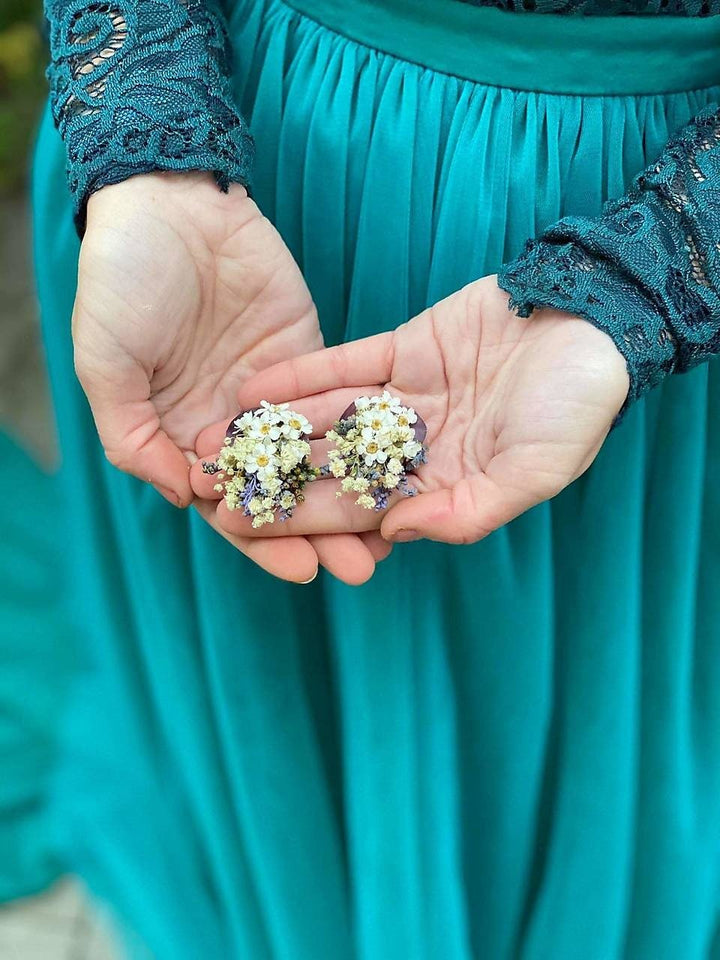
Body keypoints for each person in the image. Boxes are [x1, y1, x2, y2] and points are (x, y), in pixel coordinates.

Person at [34, 0, 720, 956]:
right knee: (251, 685)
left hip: (632, 203)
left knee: (562, 724)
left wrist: (647, 279)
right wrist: (140, 121)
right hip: (216, 163)